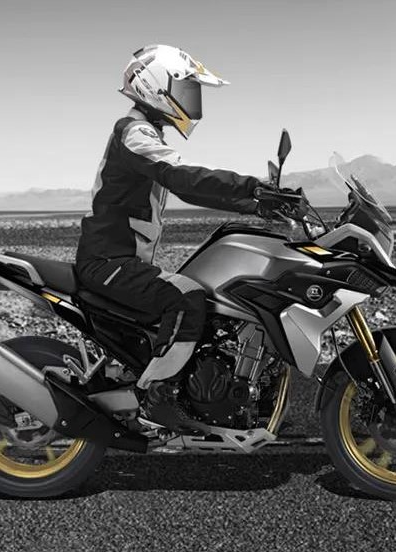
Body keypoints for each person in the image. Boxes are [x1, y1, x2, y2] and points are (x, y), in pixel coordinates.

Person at [74, 44, 283, 430]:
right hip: (107, 262)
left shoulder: (144, 132)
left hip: (120, 260)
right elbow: (182, 177)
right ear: (154, 87)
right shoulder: (133, 132)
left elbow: (185, 186)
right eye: (185, 89)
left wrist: (255, 205)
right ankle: (157, 398)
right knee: (187, 298)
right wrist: (252, 189)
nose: (191, 100)